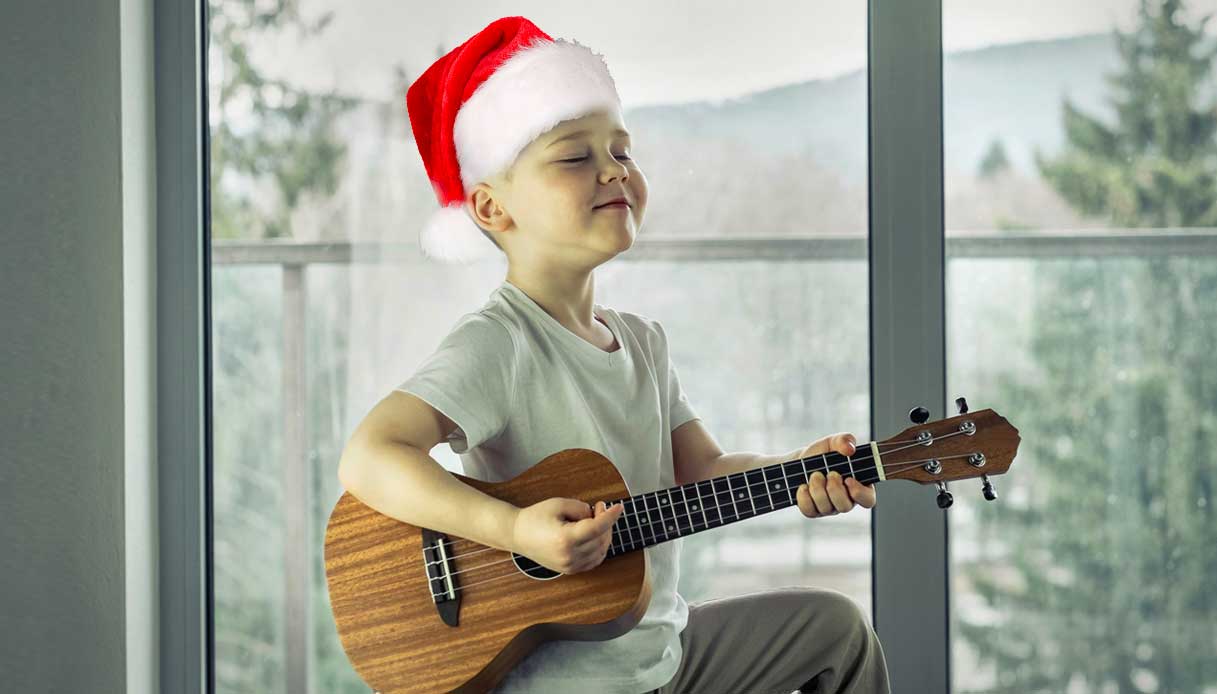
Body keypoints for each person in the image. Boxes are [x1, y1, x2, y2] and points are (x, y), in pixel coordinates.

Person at [338, 15, 891, 694]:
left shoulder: (642, 343)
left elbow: (705, 472)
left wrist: (798, 470)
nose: (612, 170)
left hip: (663, 659)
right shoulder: (500, 342)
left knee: (833, 630)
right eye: (575, 156)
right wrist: (514, 531)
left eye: (622, 152)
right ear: (489, 207)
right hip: (562, 682)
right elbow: (369, 455)